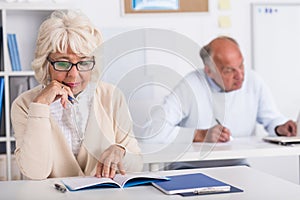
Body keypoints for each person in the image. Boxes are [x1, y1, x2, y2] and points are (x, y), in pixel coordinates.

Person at [11, 10, 143, 180]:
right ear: (46, 64)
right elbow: (36, 173)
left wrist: (121, 152)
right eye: (63, 63)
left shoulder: (111, 96)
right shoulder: (24, 104)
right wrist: (40, 106)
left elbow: (136, 165)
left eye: (84, 62)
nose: (74, 75)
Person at [141, 36, 296, 168]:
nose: (240, 75)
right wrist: (198, 135)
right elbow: (151, 131)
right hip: (189, 169)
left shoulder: (253, 81)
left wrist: (280, 127)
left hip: (237, 168)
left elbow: (272, 118)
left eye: (241, 65)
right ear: (209, 70)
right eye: (229, 70)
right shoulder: (191, 85)